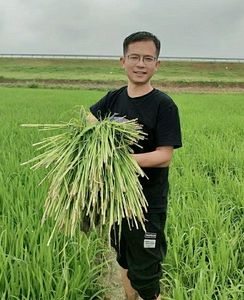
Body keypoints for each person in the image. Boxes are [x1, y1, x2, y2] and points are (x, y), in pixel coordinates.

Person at [89, 31, 182, 300]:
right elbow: (89, 116)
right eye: (135, 57)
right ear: (123, 61)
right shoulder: (114, 98)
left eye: (148, 58)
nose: (141, 64)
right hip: (117, 200)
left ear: (157, 64)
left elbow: (164, 156)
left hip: (146, 204)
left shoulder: (163, 105)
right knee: (125, 259)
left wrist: (118, 159)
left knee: (146, 272)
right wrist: (100, 137)